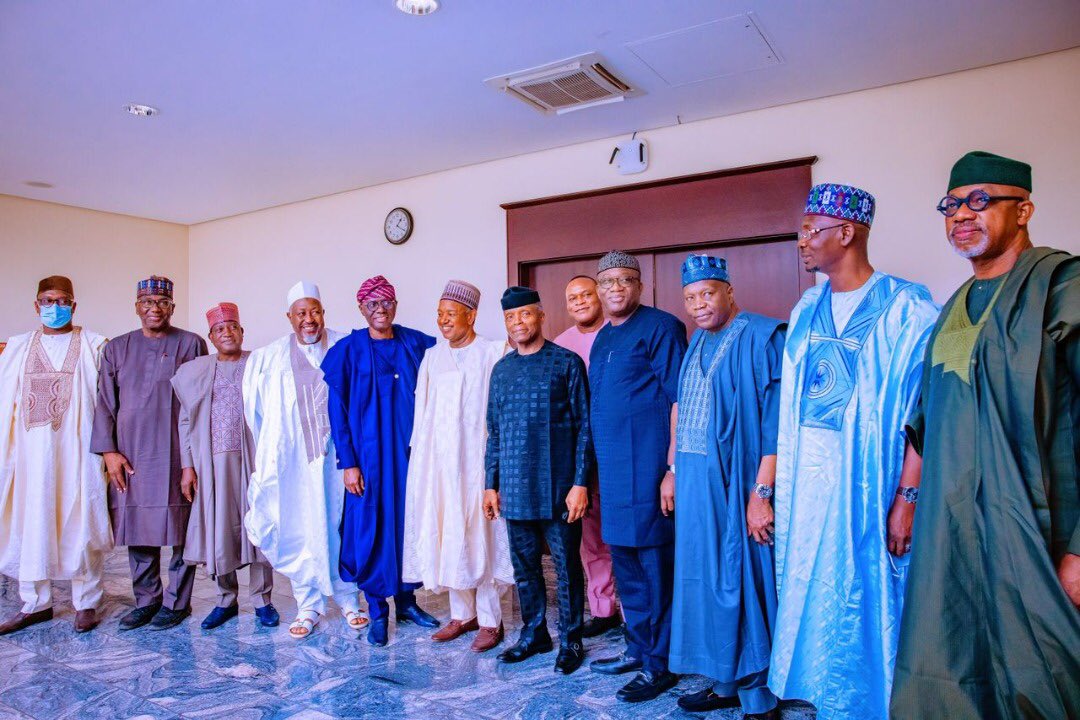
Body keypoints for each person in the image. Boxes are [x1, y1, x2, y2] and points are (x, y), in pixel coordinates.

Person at [891, 152, 1080, 719]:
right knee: (950, 668)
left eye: (980, 200)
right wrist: (907, 498)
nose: (961, 216)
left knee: (1042, 677)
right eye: (951, 205)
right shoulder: (952, 306)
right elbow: (926, 418)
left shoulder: (1061, 284)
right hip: (952, 531)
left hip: (1038, 530)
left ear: (1023, 209)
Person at [768, 185, 939, 720]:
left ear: (847, 232)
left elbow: (923, 412)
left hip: (871, 486)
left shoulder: (907, 306)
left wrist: (906, 497)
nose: (801, 242)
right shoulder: (807, 307)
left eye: (810, 230)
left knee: (870, 589)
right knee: (812, 583)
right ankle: (824, 696)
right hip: (809, 489)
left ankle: (878, 703)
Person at [668, 255, 786, 720]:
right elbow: (684, 411)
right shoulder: (696, 341)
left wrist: (762, 493)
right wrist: (672, 469)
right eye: (690, 298)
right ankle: (724, 681)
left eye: (707, 294)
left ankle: (759, 694)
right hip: (697, 484)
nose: (698, 305)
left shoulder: (762, 336)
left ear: (729, 291)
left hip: (738, 484)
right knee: (704, 579)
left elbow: (778, 425)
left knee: (742, 578)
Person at [588, 250, 688, 702]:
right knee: (625, 565)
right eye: (607, 281)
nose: (615, 288)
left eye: (625, 280)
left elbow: (680, 401)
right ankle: (637, 647)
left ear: (640, 286)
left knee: (654, 570)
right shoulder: (604, 338)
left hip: (649, 472)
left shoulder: (662, 327)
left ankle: (661, 663)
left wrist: (671, 469)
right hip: (612, 475)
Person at [243, 281, 364, 638]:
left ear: (323, 313)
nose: (308, 320)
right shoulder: (269, 358)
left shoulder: (347, 346)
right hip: (295, 462)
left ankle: (349, 599)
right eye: (301, 314)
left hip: (340, 462)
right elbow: (257, 415)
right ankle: (308, 605)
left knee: (345, 527)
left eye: (314, 312)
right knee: (298, 526)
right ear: (289, 318)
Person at [322, 275, 438, 647]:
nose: (380, 310)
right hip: (368, 464)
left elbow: (453, 362)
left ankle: (406, 602)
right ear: (361, 309)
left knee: (407, 527)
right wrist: (348, 463)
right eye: (372, 304)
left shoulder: (416, 343)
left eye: (386, 303)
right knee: (370, 530)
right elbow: (337, 413)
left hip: (410, 459)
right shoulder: (347, 350)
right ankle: (377, 610)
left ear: (396, 306)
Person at [402, 280, 514, 653]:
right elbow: (423, 414)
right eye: (439, 315)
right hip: (440, 463)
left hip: (478, 463)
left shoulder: (493, 351)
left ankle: (489, 620)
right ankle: (461, 614)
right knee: (448, 531)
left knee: (480, 535)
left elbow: (502, 410)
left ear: (472, 315)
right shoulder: (433, 357)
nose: (443, 322)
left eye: (450, 314)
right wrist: (421, 462)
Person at [484, 286, 591, 674]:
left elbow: (585, 427)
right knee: (524, 567)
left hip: (560, 488)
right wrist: (490, 484)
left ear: (541, 316)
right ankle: (534, 633)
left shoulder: (566, 363)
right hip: (515, 488)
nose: (518, 324)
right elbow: (494, 432)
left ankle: (572, 639)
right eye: (511, 318)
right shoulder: (502, 369)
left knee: (565, 567)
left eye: (525, 315)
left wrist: (580, 483)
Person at [91, 275, 207, 630]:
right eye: (147, 303)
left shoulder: (191, 344)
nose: (154, 309)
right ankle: (147, 600)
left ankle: (177, 602)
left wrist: (194, 461)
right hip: (132, 454)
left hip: (177, 453)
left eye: (161, 303)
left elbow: (201, 403)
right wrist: (109, 452)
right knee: (138, 527)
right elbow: (105, 403)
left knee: (180, 528)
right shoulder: (116, 348)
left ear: (172, 307)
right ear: (136, 307)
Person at [0, 276, 112, 635]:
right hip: (32, 459)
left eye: (62, 300)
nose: (54, 307)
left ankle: (87, 603)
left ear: (74, 305)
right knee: (32, 524)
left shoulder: (95, 345)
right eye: (47, 301)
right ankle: (35, 604)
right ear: (36, 306)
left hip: (79, 453)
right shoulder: (17, 348)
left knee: (82, 521)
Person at [171, 303, 277, 630]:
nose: (227, 332)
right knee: (220, 530)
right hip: (213, 462)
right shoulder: (197, 371)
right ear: (211, 338)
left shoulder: (260, 364)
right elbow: (185, 421)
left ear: (242, 332)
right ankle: (225, 599)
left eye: (232, 326)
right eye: (220, 329)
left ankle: (263, 600)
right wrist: (188, 466)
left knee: (258, 526)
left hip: (255, 461)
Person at [553, 275, 620, 638]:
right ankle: (603, 608)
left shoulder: (620, 331)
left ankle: (636, 613)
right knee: (591, 538)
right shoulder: (561, 346)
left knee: (626, 535)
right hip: (581, 457)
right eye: (572, 297)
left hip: (620, 451)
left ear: (600, 296)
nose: (579, 302)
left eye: (585, 294)